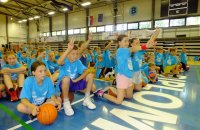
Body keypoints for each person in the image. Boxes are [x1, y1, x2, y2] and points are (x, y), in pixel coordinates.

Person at [94, 28, 160, 104]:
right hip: (122, 77)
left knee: (129, 96)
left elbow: (133, 49)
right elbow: (132, 49)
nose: (127, 43)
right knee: (119, 101)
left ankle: (115, 90)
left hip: (129, 77)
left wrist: (151, 40)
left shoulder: (127, 51)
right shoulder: (121, 50)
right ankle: (101, 93)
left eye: (127, 41)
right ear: (119, 43)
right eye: (125, 41)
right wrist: (145, 46)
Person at [57, 35, 96, 116]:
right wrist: (68, 49)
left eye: (76, 54)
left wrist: (76, 80)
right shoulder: (65, 61)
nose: (75, 56)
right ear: (68, 55)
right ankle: (66, 103)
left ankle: (87, 99)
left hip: (74, 82)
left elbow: (86, 71)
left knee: (90, 75)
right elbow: (59, 62)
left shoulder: (77, 62)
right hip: (64, 84)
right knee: (66, 78)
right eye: (72, 54)